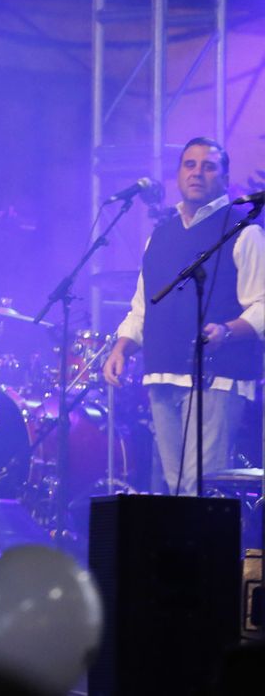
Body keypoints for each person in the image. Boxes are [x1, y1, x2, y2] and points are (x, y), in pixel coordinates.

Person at [104, 137, 264, 494]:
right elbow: (142, 308)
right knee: (171, 489)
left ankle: (205, 551)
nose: (197, 173)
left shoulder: (244, 230)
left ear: (224, 177)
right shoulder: (159, 237)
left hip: (217, 378)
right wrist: (121, 348)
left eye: (208, 166)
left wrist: (226, 330)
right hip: (162, 373)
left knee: (199, 487)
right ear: (178, 174)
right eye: (189, 165)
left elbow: (263, 305)